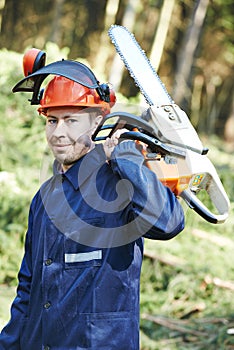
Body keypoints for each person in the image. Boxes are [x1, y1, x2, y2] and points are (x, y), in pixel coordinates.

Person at [0, 69, 184, 349]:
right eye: (52, 120)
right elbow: (28, 287)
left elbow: (169, 222)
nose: (59, 132)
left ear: (98, 121)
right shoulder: (44, 198)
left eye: (71, 120)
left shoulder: (118, 184)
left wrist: (129, 162)